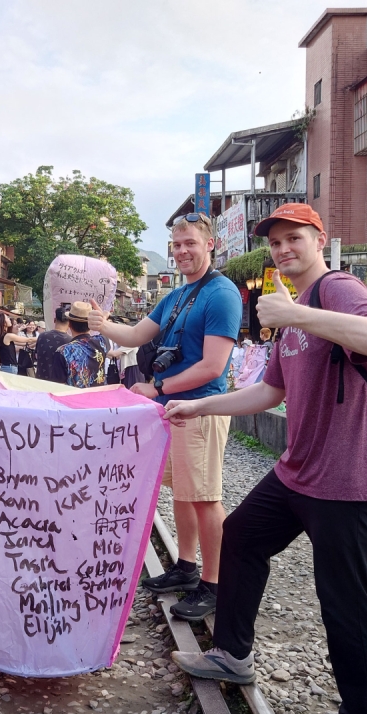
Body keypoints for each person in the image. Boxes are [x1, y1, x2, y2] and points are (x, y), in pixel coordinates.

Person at [165, 204, 367, 714]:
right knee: (242, 535)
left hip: (351, 477)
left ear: (319, 239)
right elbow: (267, 393)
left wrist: (298, 316)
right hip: (300, 468)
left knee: (343, 598)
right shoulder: (291, 312)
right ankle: (231, 653)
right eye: (275, 242)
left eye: (294, 238)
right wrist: (198, 407)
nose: (282, 250)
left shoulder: (336, 288)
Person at [88, 212, 241, 621]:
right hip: (173, 412)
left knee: (206, 498)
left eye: (190, 242)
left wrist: (156, 388)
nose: (182, 251)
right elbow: (137, 335)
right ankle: (186, 568)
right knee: (183, 493)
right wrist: (103, 324)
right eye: (176, 245)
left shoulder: (221, 294)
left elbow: (213, 366)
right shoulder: (175, 296)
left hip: (201, 409)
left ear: (210, 244)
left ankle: (215, 583)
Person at [46, 302, 109, 388]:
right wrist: (103, 319)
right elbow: (106, 331)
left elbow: (57, 387)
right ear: (90, 325)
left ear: (69, 324)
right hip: (99, 398)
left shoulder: (63, 351)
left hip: (74, 400)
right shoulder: (102, 342)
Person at [35, 306, 72, 382]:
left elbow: (36, 356)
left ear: (55, 320)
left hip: (40, 382)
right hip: (59, 386)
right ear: (70, 323)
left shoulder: (42, 336)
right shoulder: (71, 341)